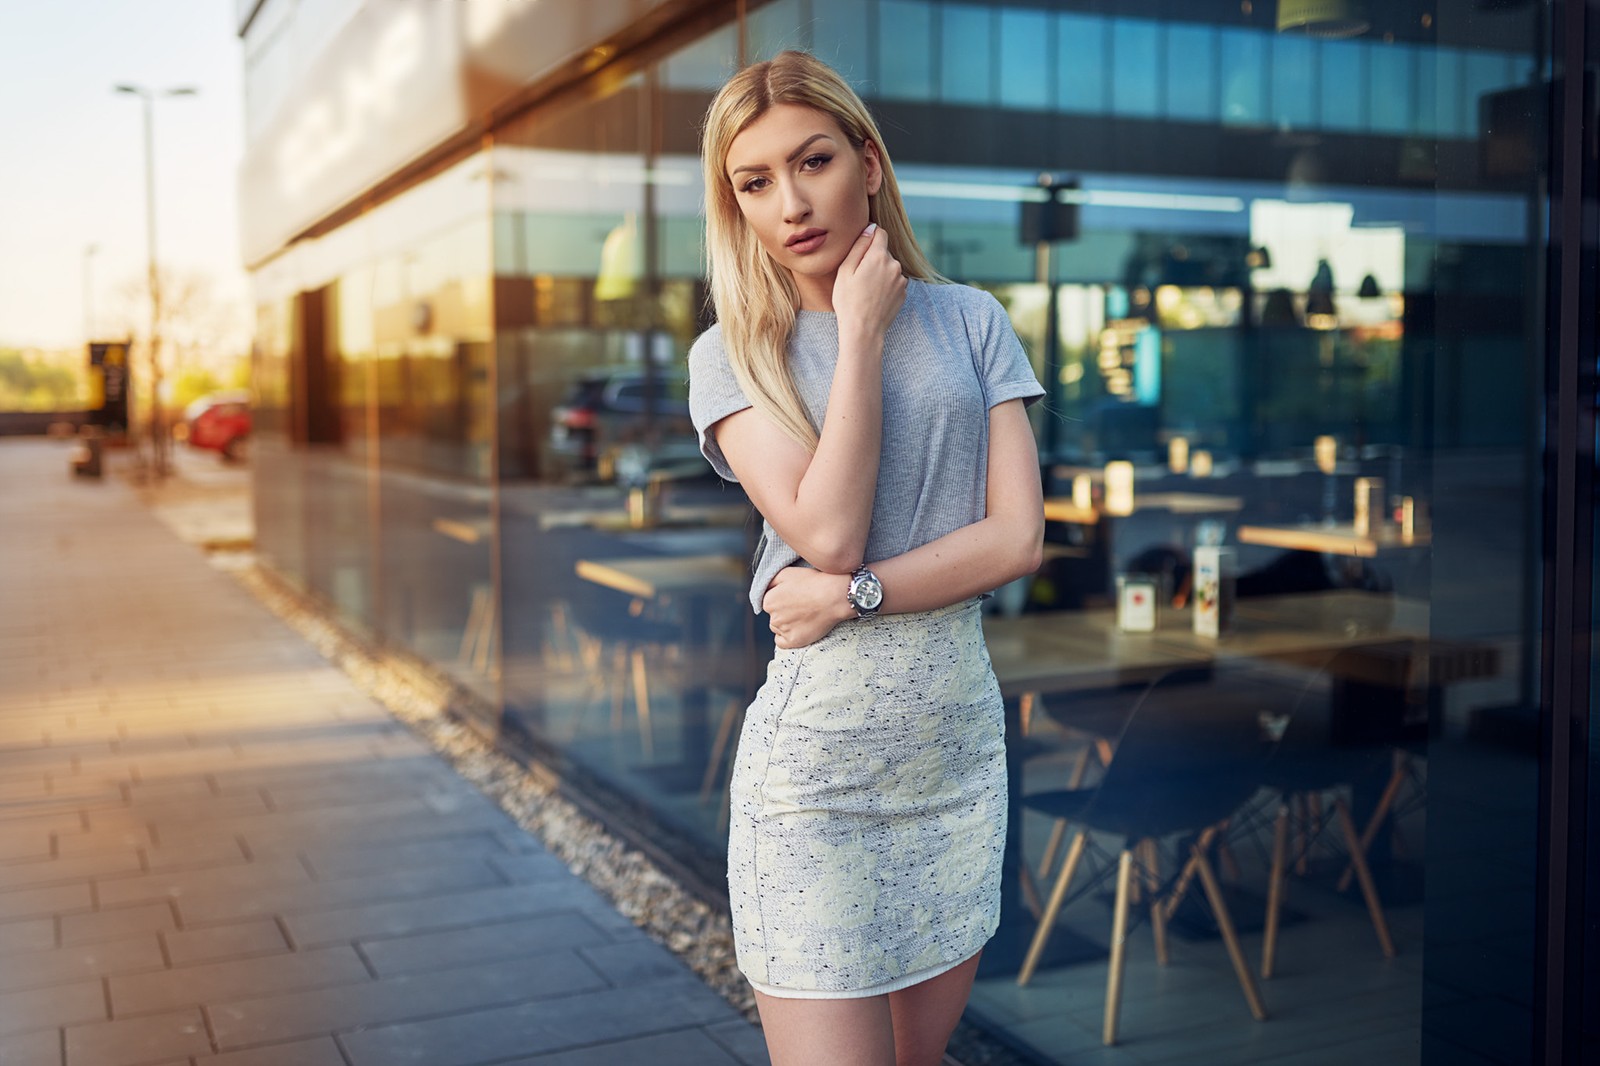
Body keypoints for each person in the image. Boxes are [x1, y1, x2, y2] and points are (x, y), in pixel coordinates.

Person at [688, 50, 1046, 1066]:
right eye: (754, 182)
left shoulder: (973, 321)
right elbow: (827, 526)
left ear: (869, 165)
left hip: (952, 756)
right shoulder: (733, 353)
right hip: (816, 777)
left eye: (813, 162)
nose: (790, 202)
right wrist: (859, 335)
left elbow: (1015, 539)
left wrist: (854, 597)